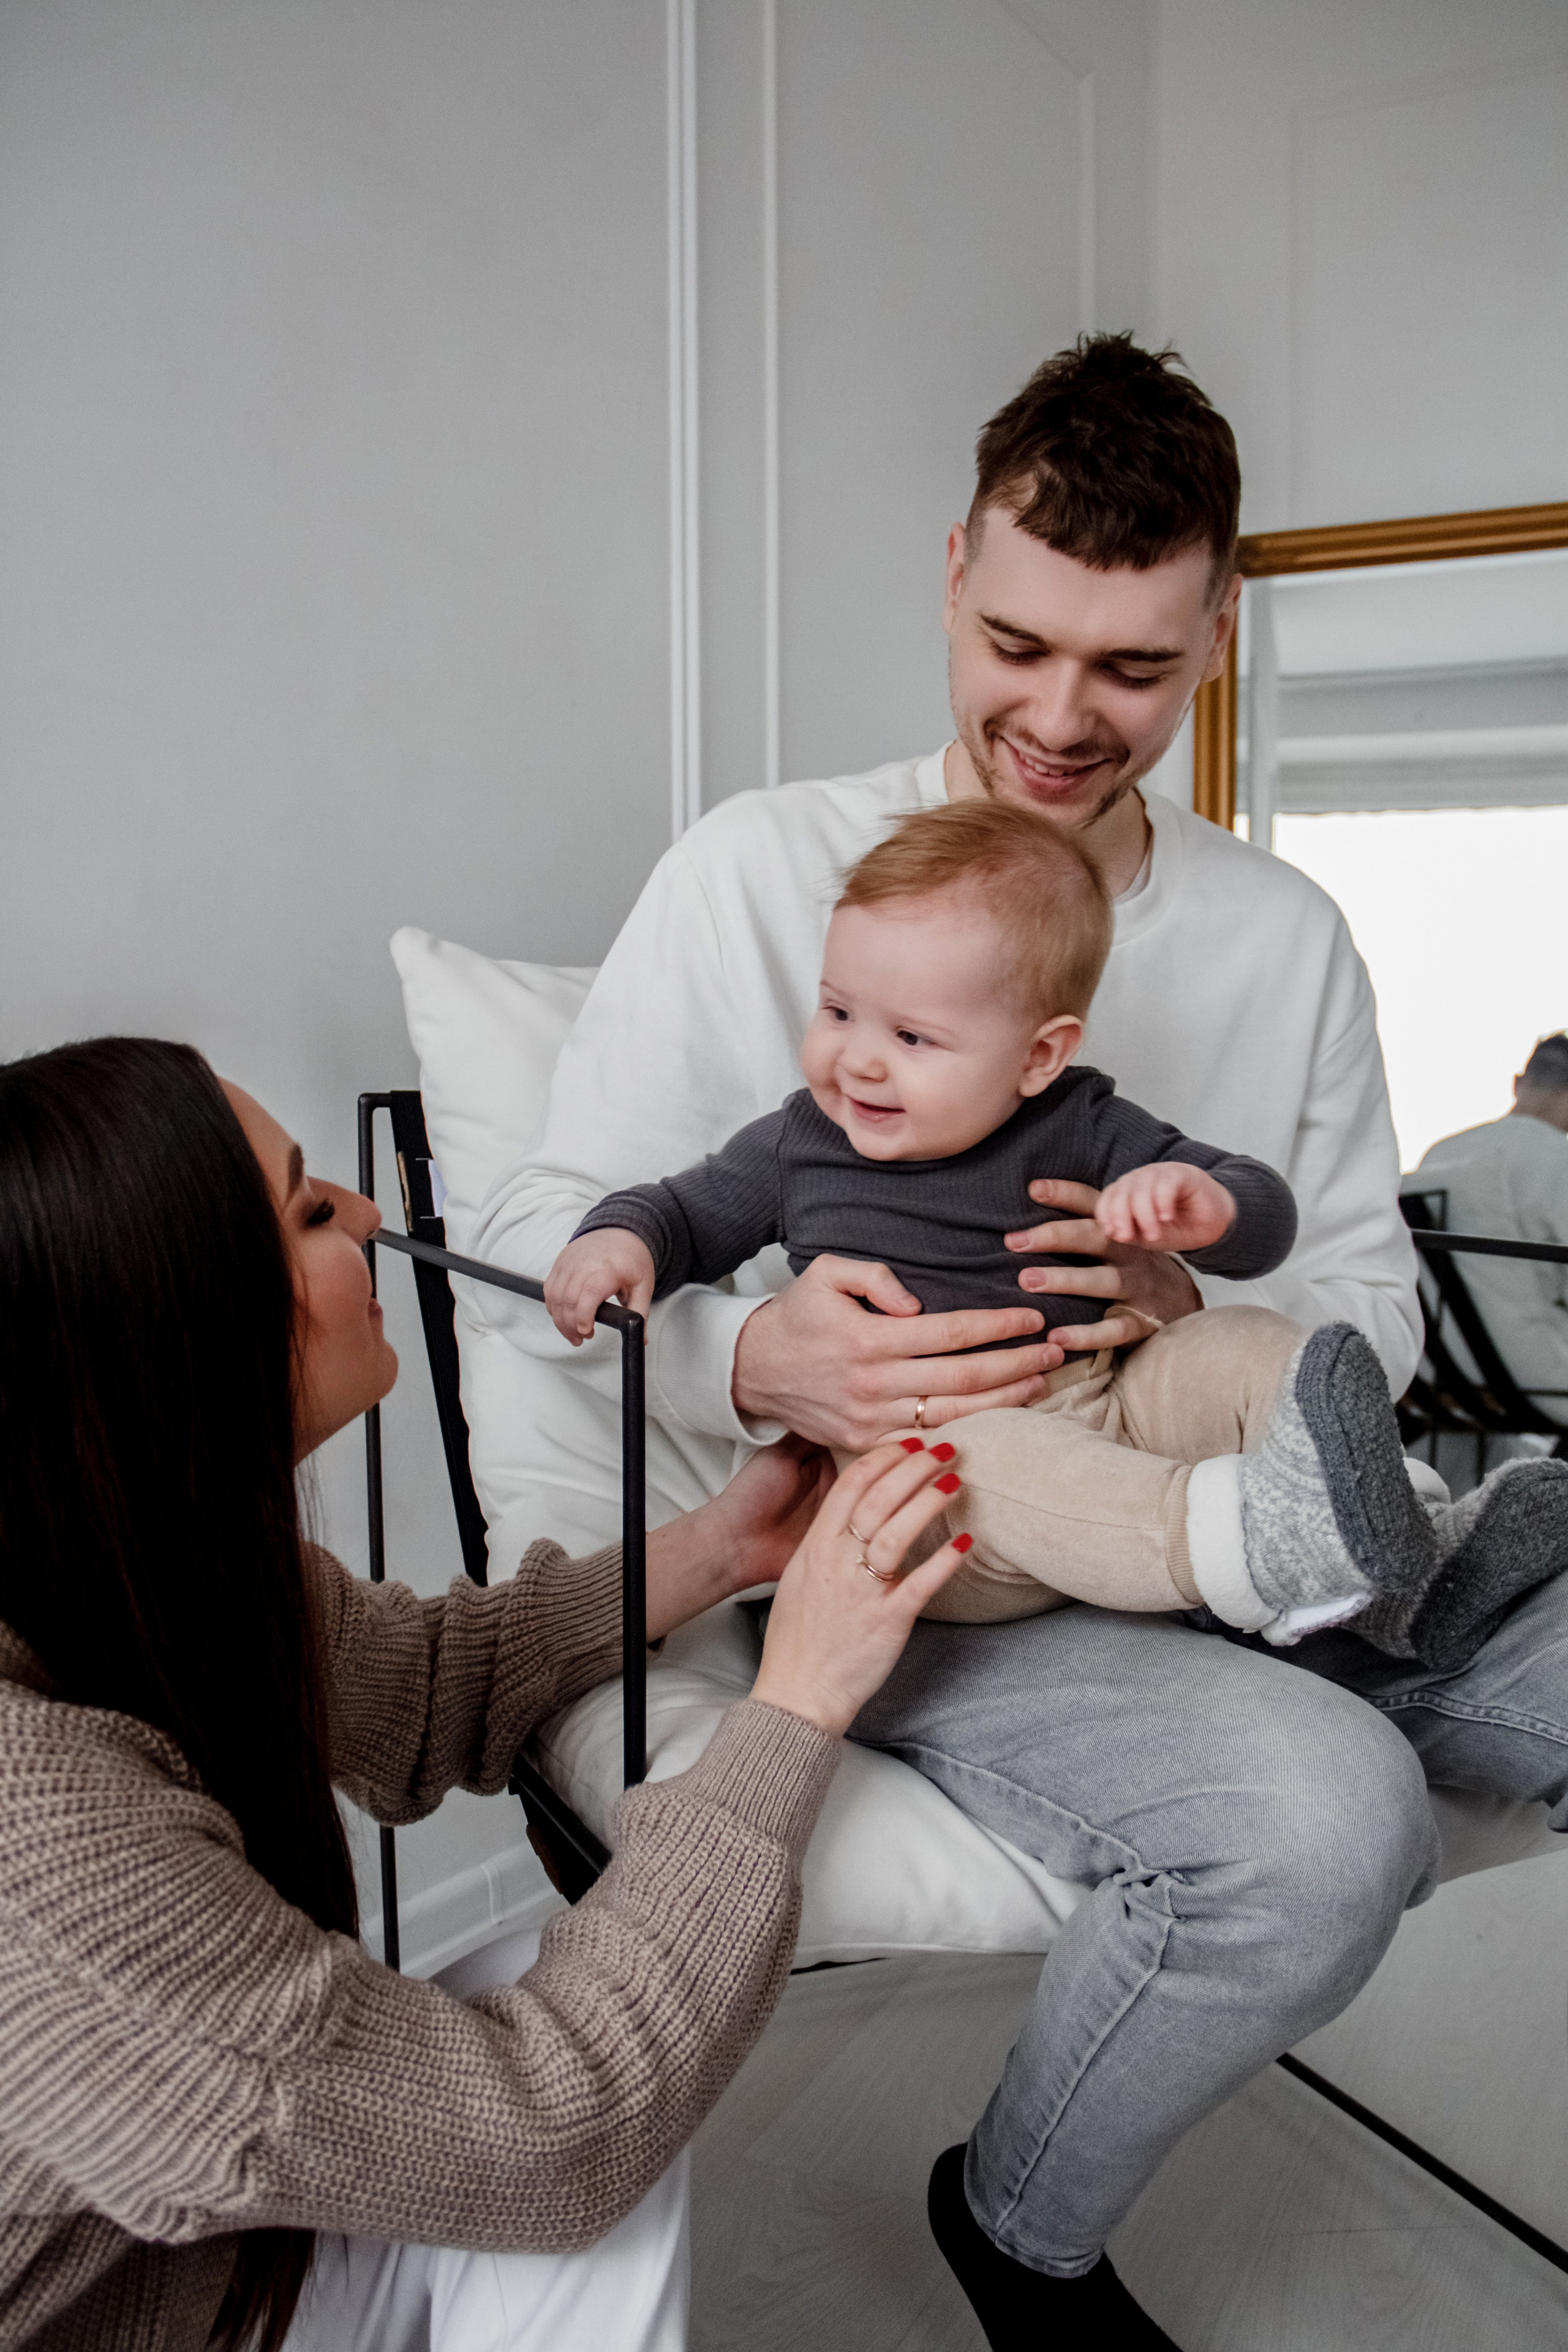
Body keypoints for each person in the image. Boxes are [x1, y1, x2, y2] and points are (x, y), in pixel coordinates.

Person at [473, 337, 1568, 2349]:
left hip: (1197, 1457)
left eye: (1135, 672)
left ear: (1220, 637)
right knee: (1336, 1817)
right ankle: (1023, 2224)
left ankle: (1382, 1595)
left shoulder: (1284, 935)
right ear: (954, 560)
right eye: (1018, 641)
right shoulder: (759, 874)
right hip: (935, 1542)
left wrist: (1189, 1298)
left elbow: (1358, 1301)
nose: (1063, 718)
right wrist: (758, 1355)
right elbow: (549, 1230)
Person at [0, 1035, 973, 2352]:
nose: (359, 1210)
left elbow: (421, 1685)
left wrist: (719, 1549)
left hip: (177, 2258)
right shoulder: (44, 1853)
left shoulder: (129, 1569)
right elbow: (551, 2138)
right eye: (304, 1209)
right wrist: (794, 1703)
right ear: (182, 1337)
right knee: (581, 2134)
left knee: (550, 1986)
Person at [545, 799, 1562, 1672]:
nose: (857, 1061)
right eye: (838, 1010)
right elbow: (681, 1211)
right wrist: (620, 1244)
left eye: (911, 1037)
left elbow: (1262, 1213)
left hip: (1110, 1402)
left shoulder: (1077, 1121)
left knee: (1241, 1345)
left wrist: (1202, 1204)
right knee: (997, 1459)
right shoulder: (801, 1145)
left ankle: (1411, 1576)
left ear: (1040, 1057)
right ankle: (1247, 1554)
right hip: (930, 1492)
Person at [1410, 1031, 1568, 1420]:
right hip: (1537, 1376)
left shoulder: (1442, 1153)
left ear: (1518, 1083)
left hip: (1440, 1376)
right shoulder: (1558, 1159)